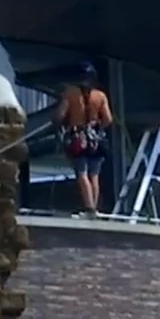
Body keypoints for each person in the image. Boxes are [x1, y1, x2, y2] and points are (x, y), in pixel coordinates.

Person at [58, 64, 113, 215]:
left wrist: (61, 123)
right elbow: (108, 119)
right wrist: (96, 127)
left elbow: (60, 116)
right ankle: (93, 208)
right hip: (95, 140)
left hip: (78, 138)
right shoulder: (100, 96)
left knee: (82, 173)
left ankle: (89, 208)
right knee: (94, 175)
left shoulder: (70, 93)